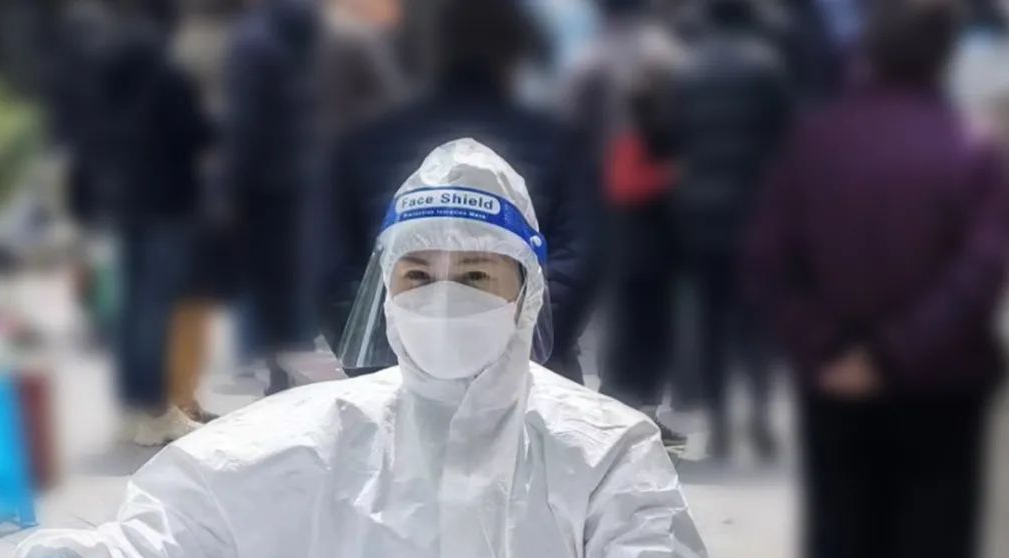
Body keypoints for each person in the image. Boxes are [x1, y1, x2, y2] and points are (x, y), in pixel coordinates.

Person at [0, 139, 718, 558]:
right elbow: (179, 538)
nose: (442, 298)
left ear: (524, 292)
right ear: (389, 288)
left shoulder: (603, 444)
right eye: (418, 275)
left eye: (474, 276)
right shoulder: (307, 435)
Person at [746, 0, 1008, 558]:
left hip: (835, 392)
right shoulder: (972, 149)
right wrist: (898, 351)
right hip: (943, 388)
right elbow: (980, 268)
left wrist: (832, 351)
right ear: (942, 58)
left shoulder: (813, 144)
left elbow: (769, 260)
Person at [322, 0, 595, 384]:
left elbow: (331, 264)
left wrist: (385, 356)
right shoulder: (558, 143)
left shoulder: (368, 143)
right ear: (515, 52)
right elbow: (582, 256)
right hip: (528, 386)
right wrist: (522, 345)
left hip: (395, 383)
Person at [88, 3, 214, 446]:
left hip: (124, 201)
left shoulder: (107, 69)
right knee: (157, 310)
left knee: (132, 308)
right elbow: (196, 133)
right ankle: (157, 412)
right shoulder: (167, 73)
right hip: (167, 203)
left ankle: (132, 411)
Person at [672, 0, 793, 458]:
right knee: (757, 320)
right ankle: (759, 415)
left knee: (711, 321)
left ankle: (720, 423)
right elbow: (785, 142)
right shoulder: (767, 67)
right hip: (756, 212)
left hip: (700, 213)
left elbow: (674, 139)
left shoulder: (688, 70)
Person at [566, 0, 690, 444]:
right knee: (655, 311)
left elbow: (571, 130)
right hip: (660, 199)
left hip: (603, 197)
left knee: (614, 308)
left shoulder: (589, 59)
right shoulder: (666, 54)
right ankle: (643, 408)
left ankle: (615, 407)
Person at [223, 0, 320, 395]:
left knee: (263, 280)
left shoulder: (253, 42)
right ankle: (294, 368)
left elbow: (245, 122)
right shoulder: (310, 32)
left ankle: (273, 371)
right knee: (294, 277)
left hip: (263, 183)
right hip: (303, 172)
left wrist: (229, 186)